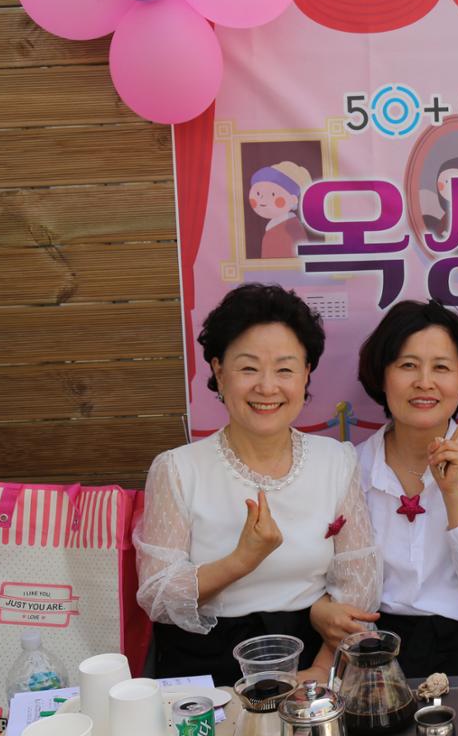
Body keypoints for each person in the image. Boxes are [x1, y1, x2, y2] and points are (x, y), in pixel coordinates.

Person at [134, 284, 380, 687]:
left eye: (284, 369)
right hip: (206, 667)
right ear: (219, 372)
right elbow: (158, 596)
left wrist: (322, 668)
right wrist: (241, 560)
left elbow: (358, 585)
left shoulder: (336, 460)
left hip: (309, 659)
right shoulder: (177, 468)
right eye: (248, 368)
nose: (267, 387)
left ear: (306, 374)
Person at [356, 300, 458, 676]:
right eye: (407, 365)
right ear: (382, 376)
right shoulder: (353, 465)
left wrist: (454, 491)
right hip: (380, 650)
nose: (424, 382)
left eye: (441, 367)